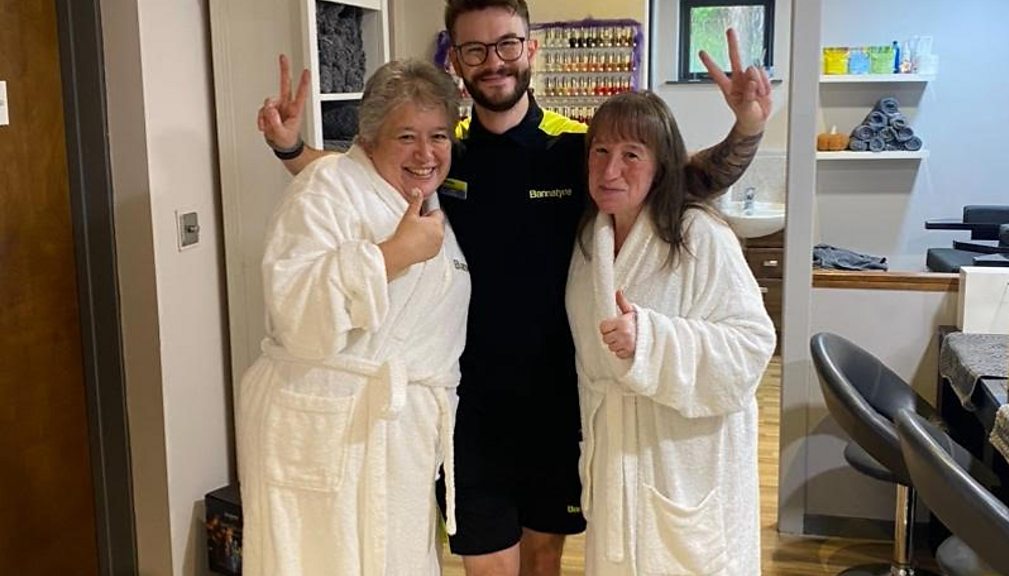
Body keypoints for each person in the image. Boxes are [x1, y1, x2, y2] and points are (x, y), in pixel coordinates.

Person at [258, 2, 771, 574]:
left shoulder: (575, 150)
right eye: (475, 49)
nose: (493, 61)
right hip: (469, 402)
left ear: (530, 49)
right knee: (489, 566)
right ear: (457, 60)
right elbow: (367, 170)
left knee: (542, 560)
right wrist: (290, 148)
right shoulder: (445, 153)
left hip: (556, 400)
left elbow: (675, 177)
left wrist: (747, 127)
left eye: (506, 44)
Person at [237, 59, 470, 576]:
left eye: (438, 136)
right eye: (406, 136)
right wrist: (392, 255)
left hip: (391, 439)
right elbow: (296, 308)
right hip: (328, 433)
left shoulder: (421, 200)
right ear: (368, 139)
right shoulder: (324, 189)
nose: (426, 153)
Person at [565, 90, 776, 575]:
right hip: (616, 457)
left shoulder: (700, 235)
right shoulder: (590, 239)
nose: (610, 169)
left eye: (631, 155)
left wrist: (651, 341)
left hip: (684, 463)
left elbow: (752, 346)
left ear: (661, 166)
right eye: (601, 150)